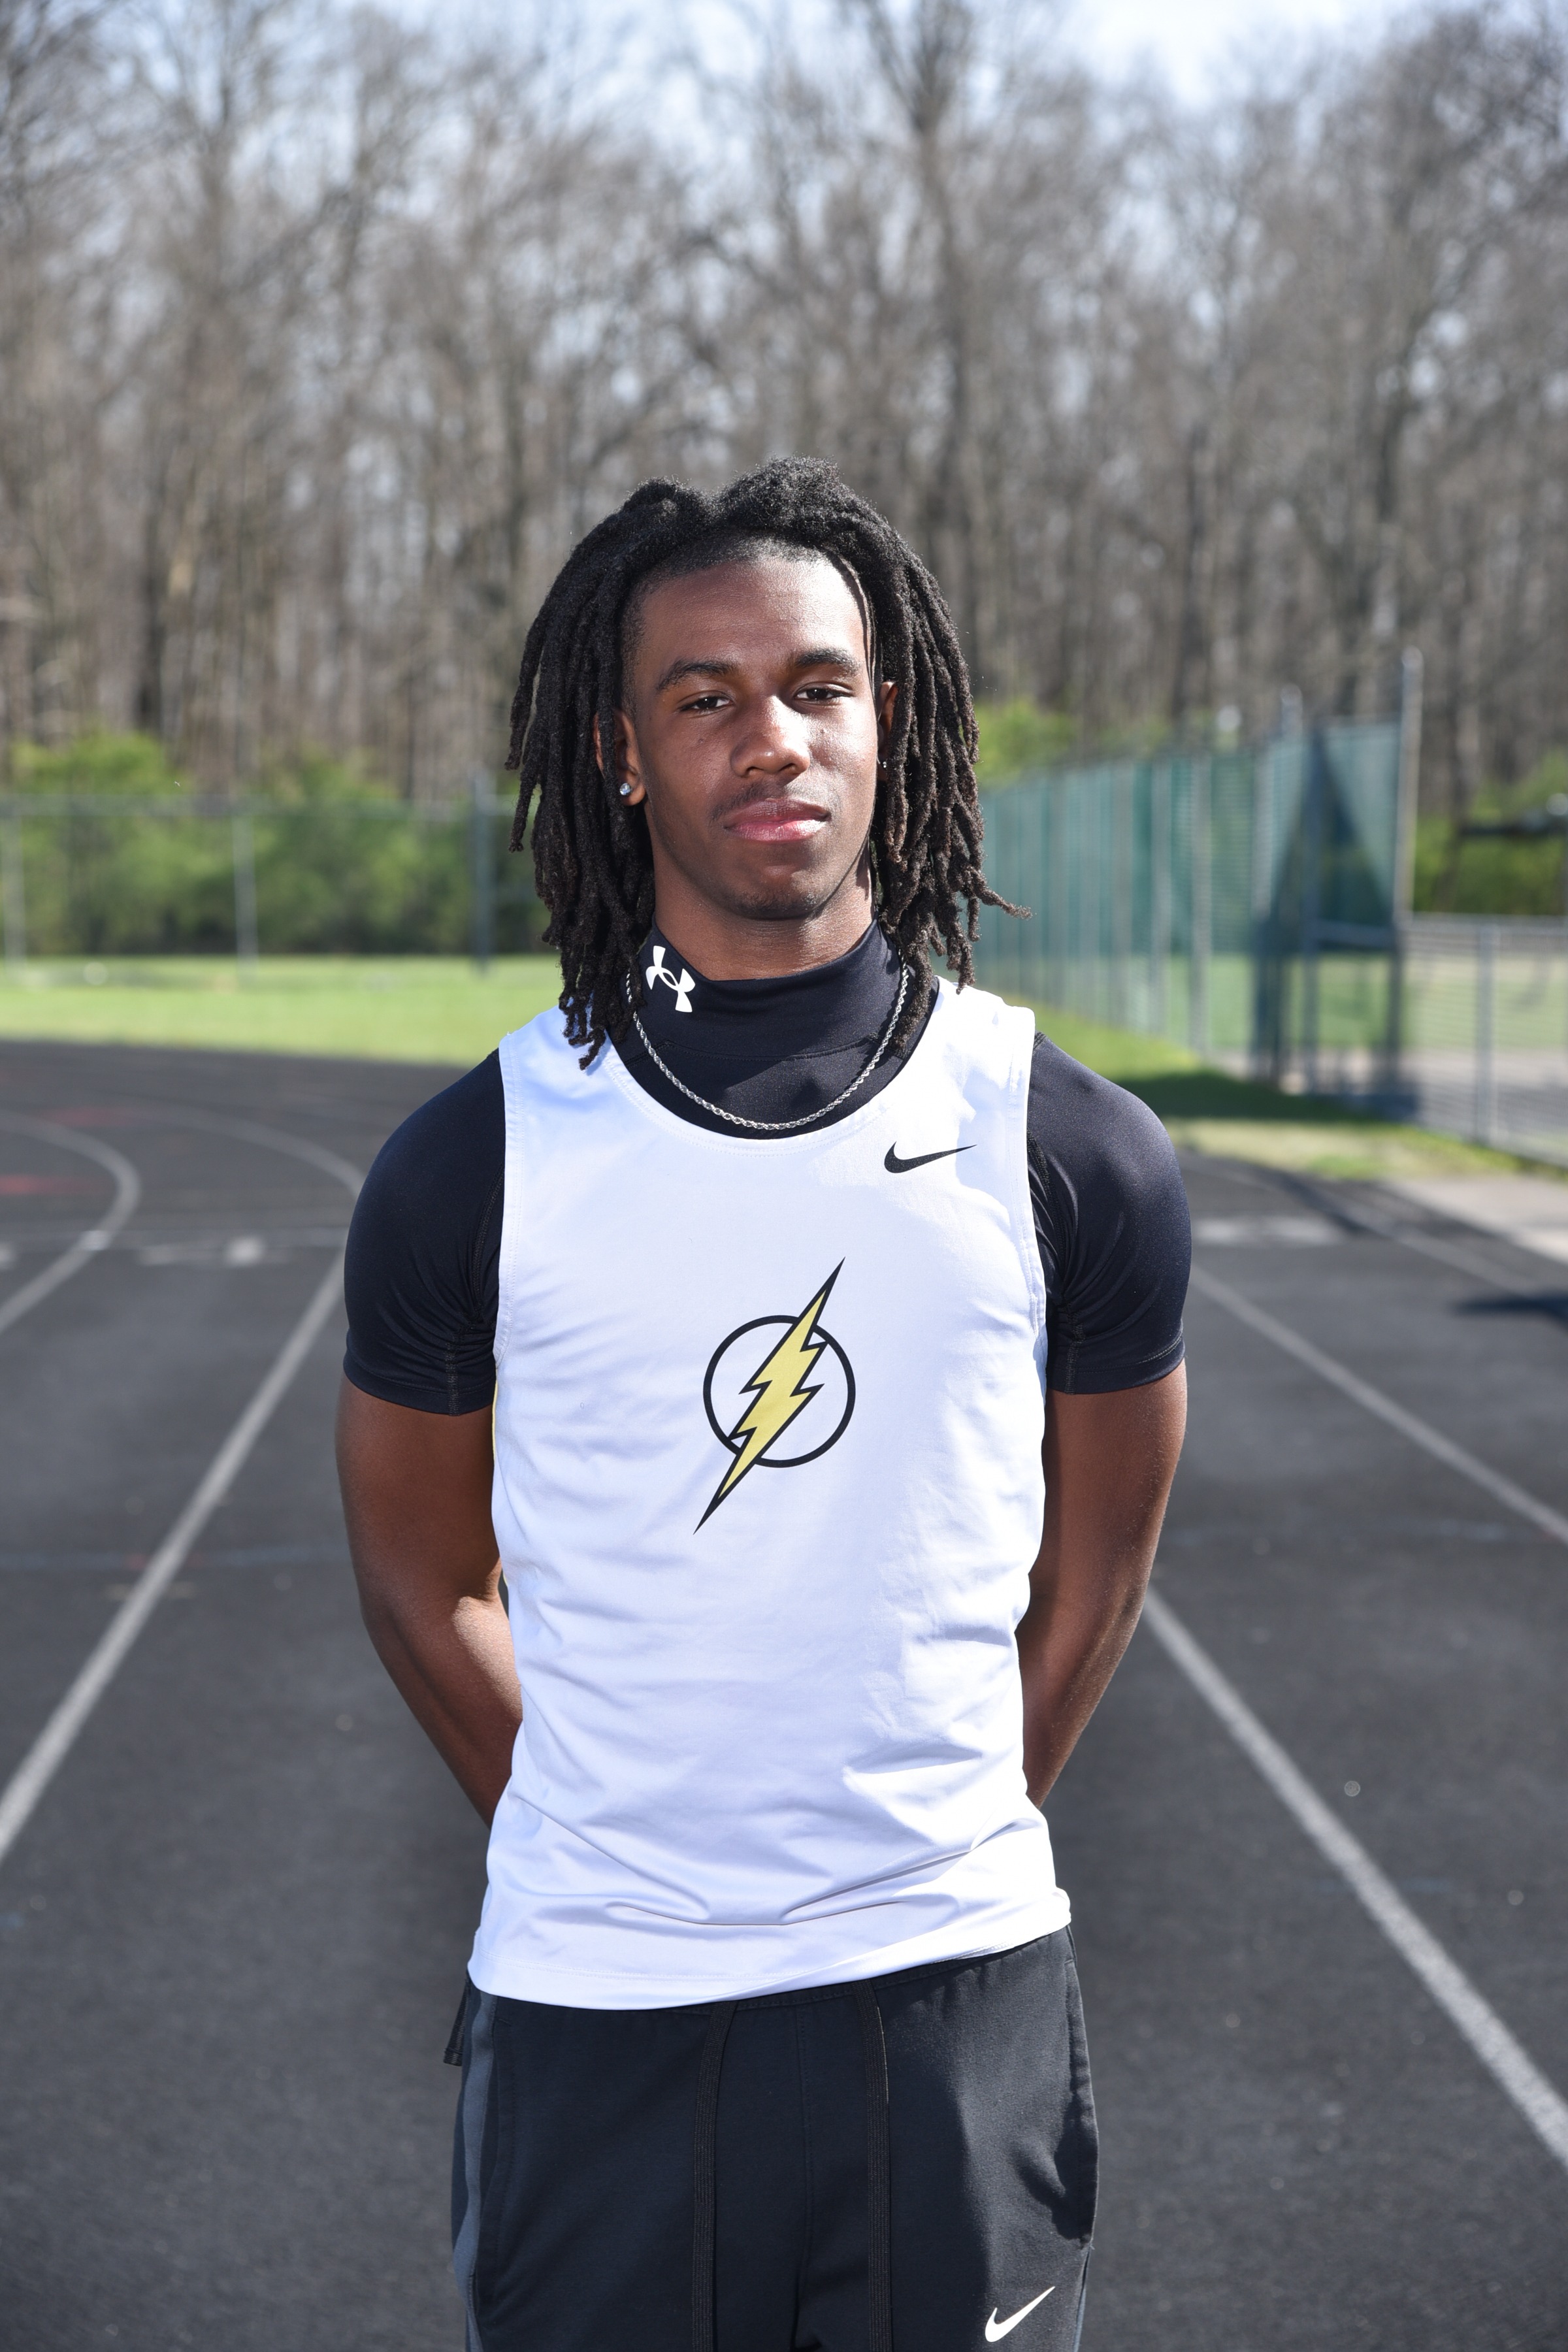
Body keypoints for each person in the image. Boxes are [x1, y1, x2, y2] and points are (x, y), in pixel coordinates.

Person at [335, 457, 1190, 2352]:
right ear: (620, 753)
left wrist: (930, 1839)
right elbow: (422, 1583)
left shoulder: (1069, 1149)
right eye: (704, 696)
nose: (774, 737)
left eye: (818, 685)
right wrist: (618, 1842)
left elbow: (1096, 1578)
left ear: (892, 721)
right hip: (599, 2009)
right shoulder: (474, 1164)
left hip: (952, 1994)